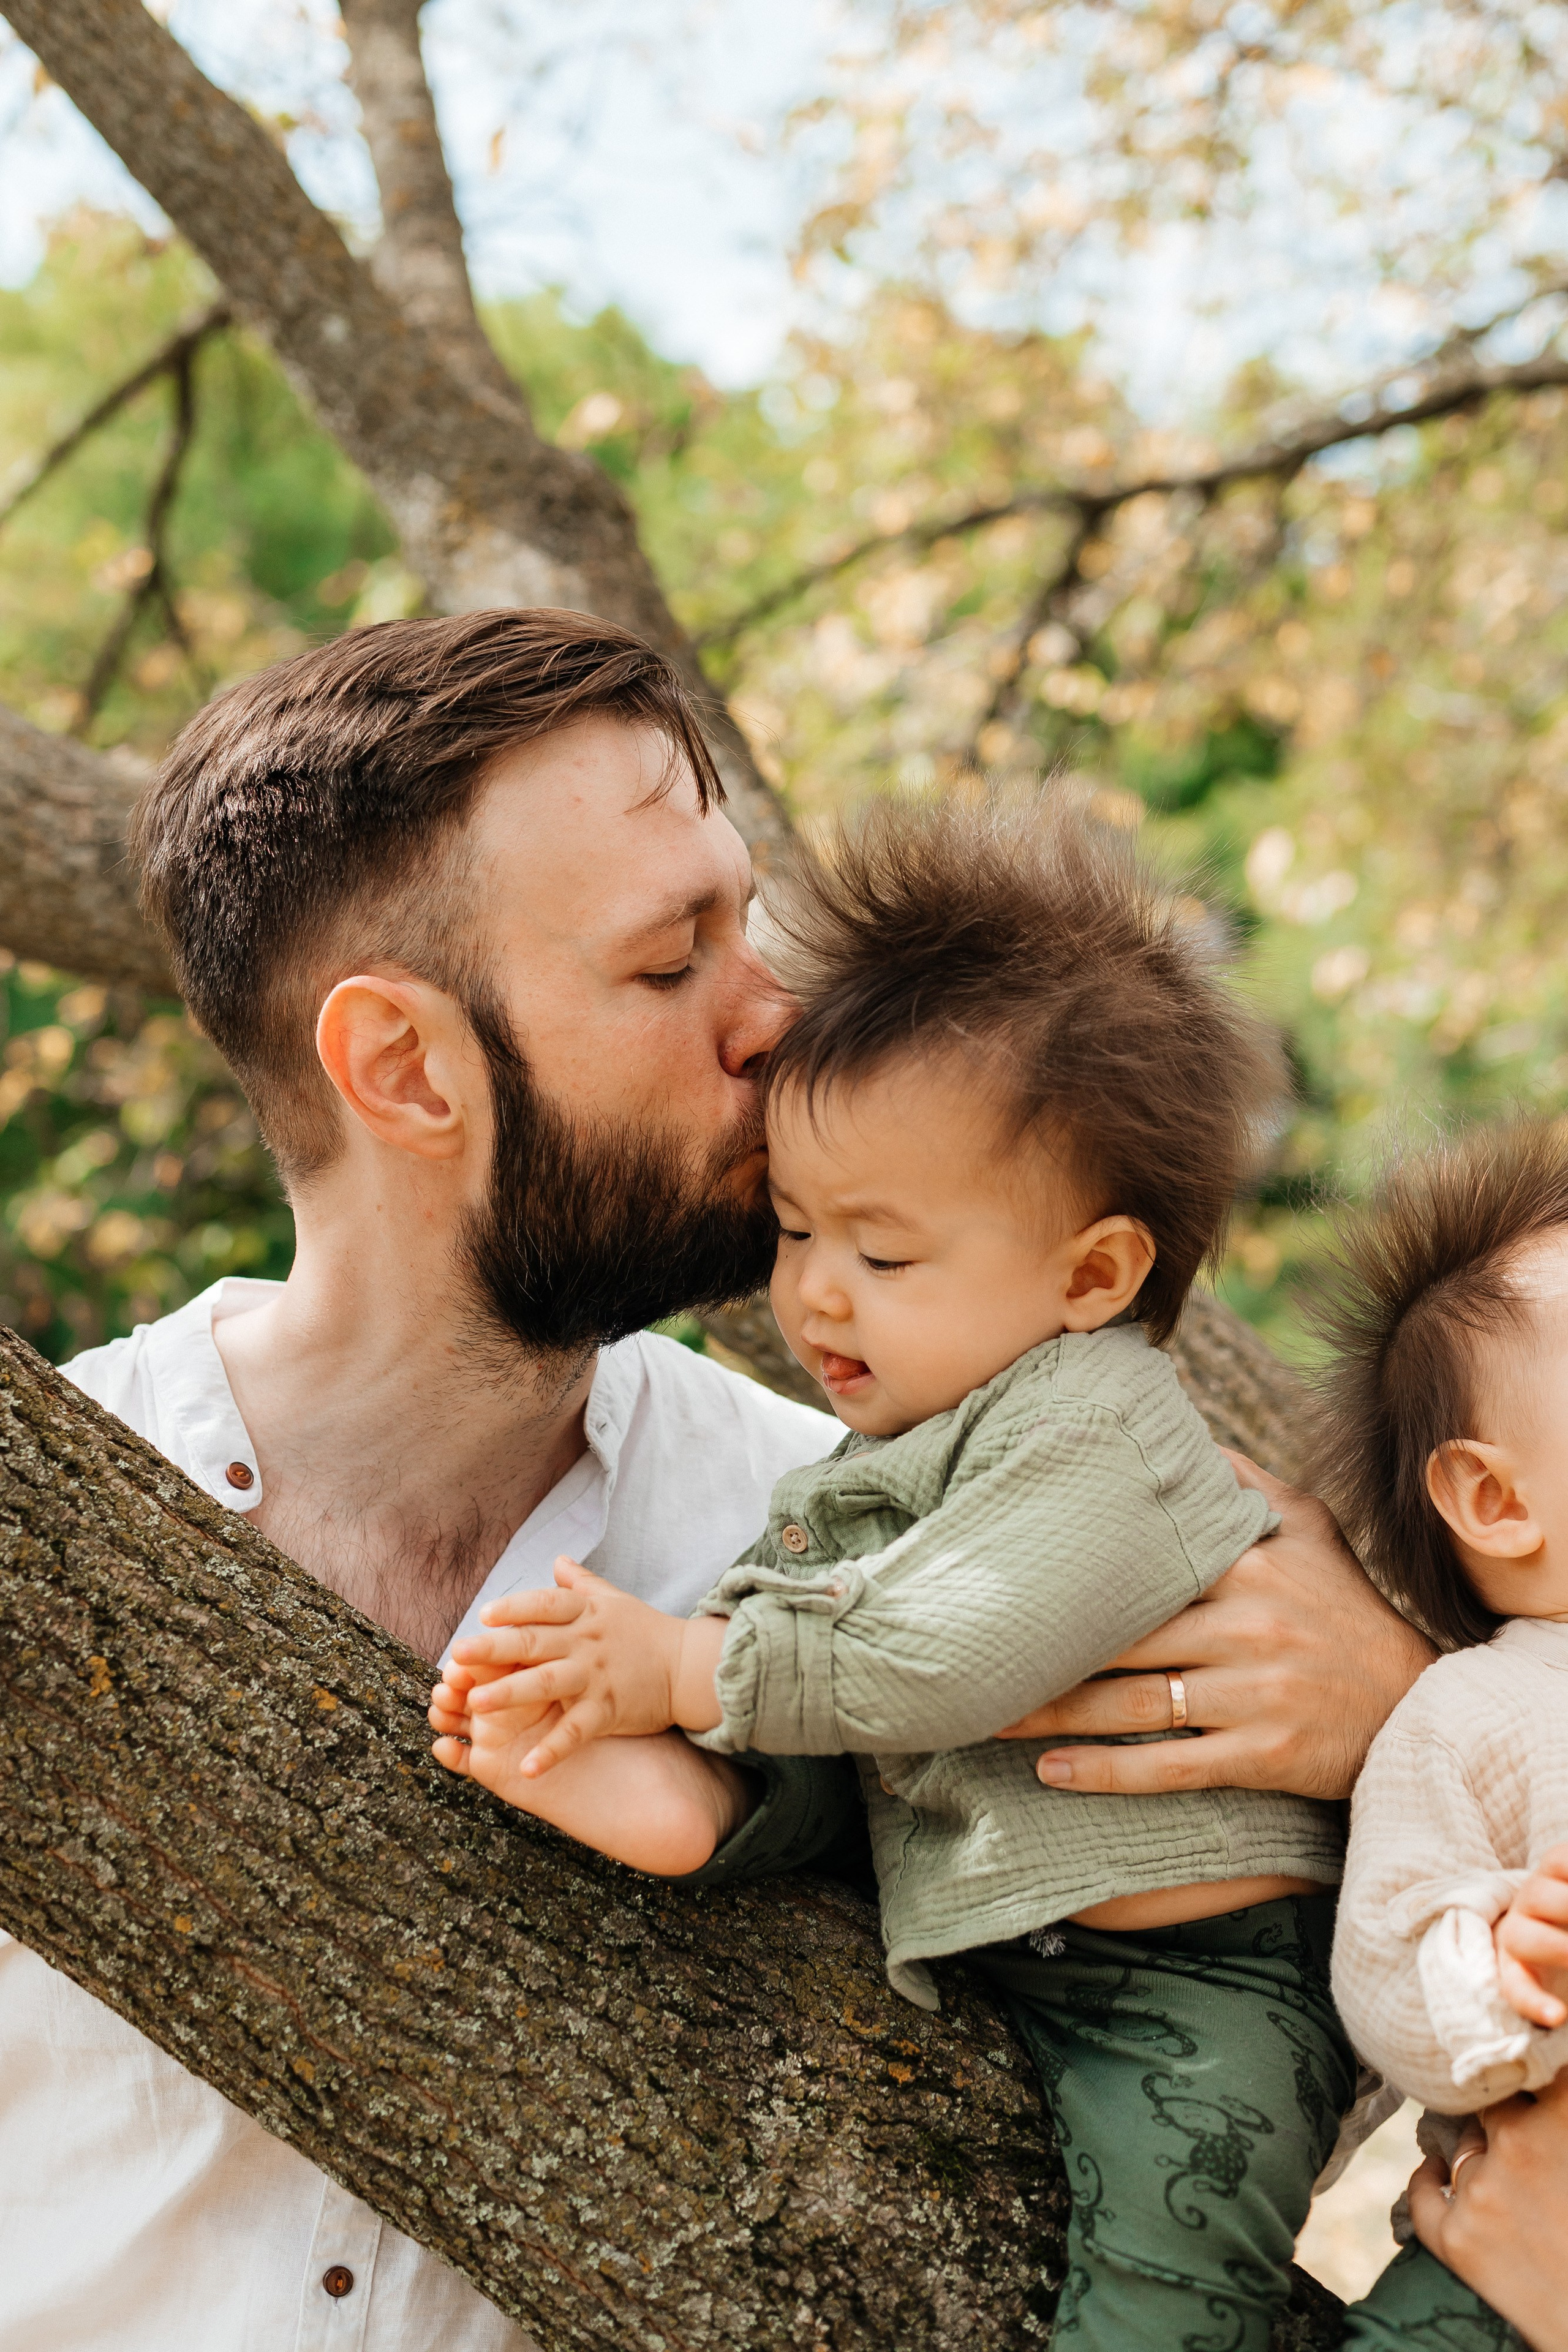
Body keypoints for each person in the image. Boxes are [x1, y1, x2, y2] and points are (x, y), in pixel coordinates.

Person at [0, 608, 1431, 2352]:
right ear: (400, 1067)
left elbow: (1219, 2085)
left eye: (745, 927)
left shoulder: (870, 1525)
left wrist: (1402, 1725)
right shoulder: (51, 1523)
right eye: (674, 965)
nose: (778, 1020)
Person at [432, 799, 1355, 2352]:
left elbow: (948, 1654)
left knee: (1166, 2287)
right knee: (780, 1719)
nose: (810, 1294)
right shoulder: (873, 1464)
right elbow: (798, 1633)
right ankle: (673, 1810)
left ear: (1092, 1276)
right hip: (994, 1924)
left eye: (883, 1252)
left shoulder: (1096, 1421)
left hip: (1200, 1989)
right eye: (794, 1230)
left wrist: (677, 1663)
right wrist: (658, 1689)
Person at [1311, 1120, 1568, 2346]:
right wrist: (1492, 1970)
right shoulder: (1472, 1713)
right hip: (1487, 2294)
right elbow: (1382, 1952)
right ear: (1491, 1498)